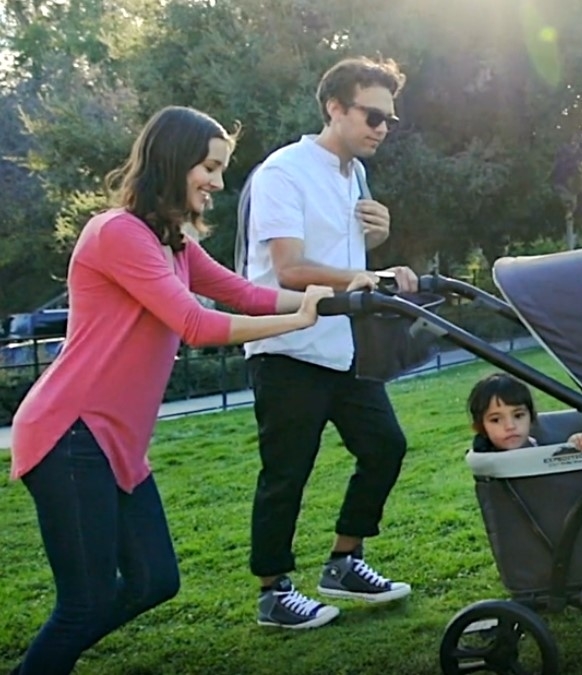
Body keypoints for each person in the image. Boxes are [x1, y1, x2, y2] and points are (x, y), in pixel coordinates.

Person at [6, 106, 362, 675]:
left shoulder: (172, 243)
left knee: (154, 579)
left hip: (115, 443)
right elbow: (197, 324)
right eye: (209, 168)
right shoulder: (117, 234)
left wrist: (339, 296)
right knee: (85, 601)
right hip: (69, 435)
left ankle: (52, 656)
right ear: (173, 161)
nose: (218, 183)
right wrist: (300, 321)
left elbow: (244, 294)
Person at [242, 56, 419, 629]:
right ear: (335, 108)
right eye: (372, 115)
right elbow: (288, 269)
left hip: (342, 346)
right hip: (287, 346)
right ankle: (273, 592)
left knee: (385, 446)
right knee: (287, 473)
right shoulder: (283, 173)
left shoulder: (355, 177)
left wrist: (381, 246)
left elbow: (349, 262)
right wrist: (358, 277)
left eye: (389, 119)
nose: (382, 128)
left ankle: (344, 560)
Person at [467, 373, 582, 452]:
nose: (510, 426)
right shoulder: (487, 461)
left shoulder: (535, 443)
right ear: (481, 427)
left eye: (518, 416)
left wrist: (573, 446)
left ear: (531, 417)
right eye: (496, 420)